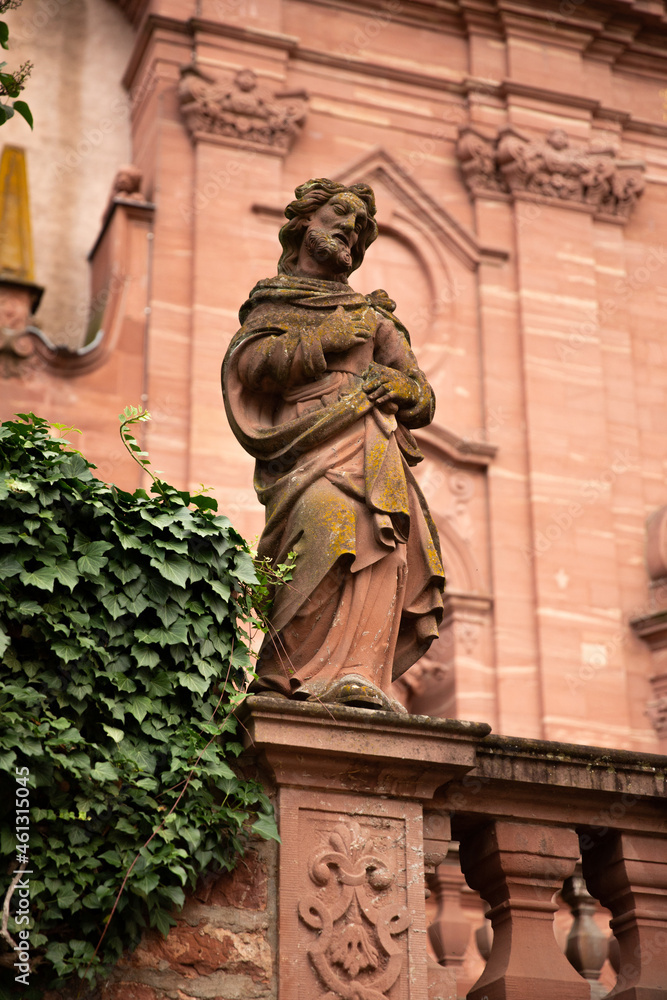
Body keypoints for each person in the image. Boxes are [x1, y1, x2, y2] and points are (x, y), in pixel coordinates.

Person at [222, 178, 444, 708]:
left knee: (380, 545)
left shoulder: (373, 315)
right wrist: (329, 338)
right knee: (323, 528)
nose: (351, 228)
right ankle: (288, 675)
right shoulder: (273, 303)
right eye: (340, 214)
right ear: (303, 224)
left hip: (371, 448)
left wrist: (397, 385)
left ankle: (361, 673)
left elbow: (422, 396)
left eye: (361, 226)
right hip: (308, 447)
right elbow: (252, 367)